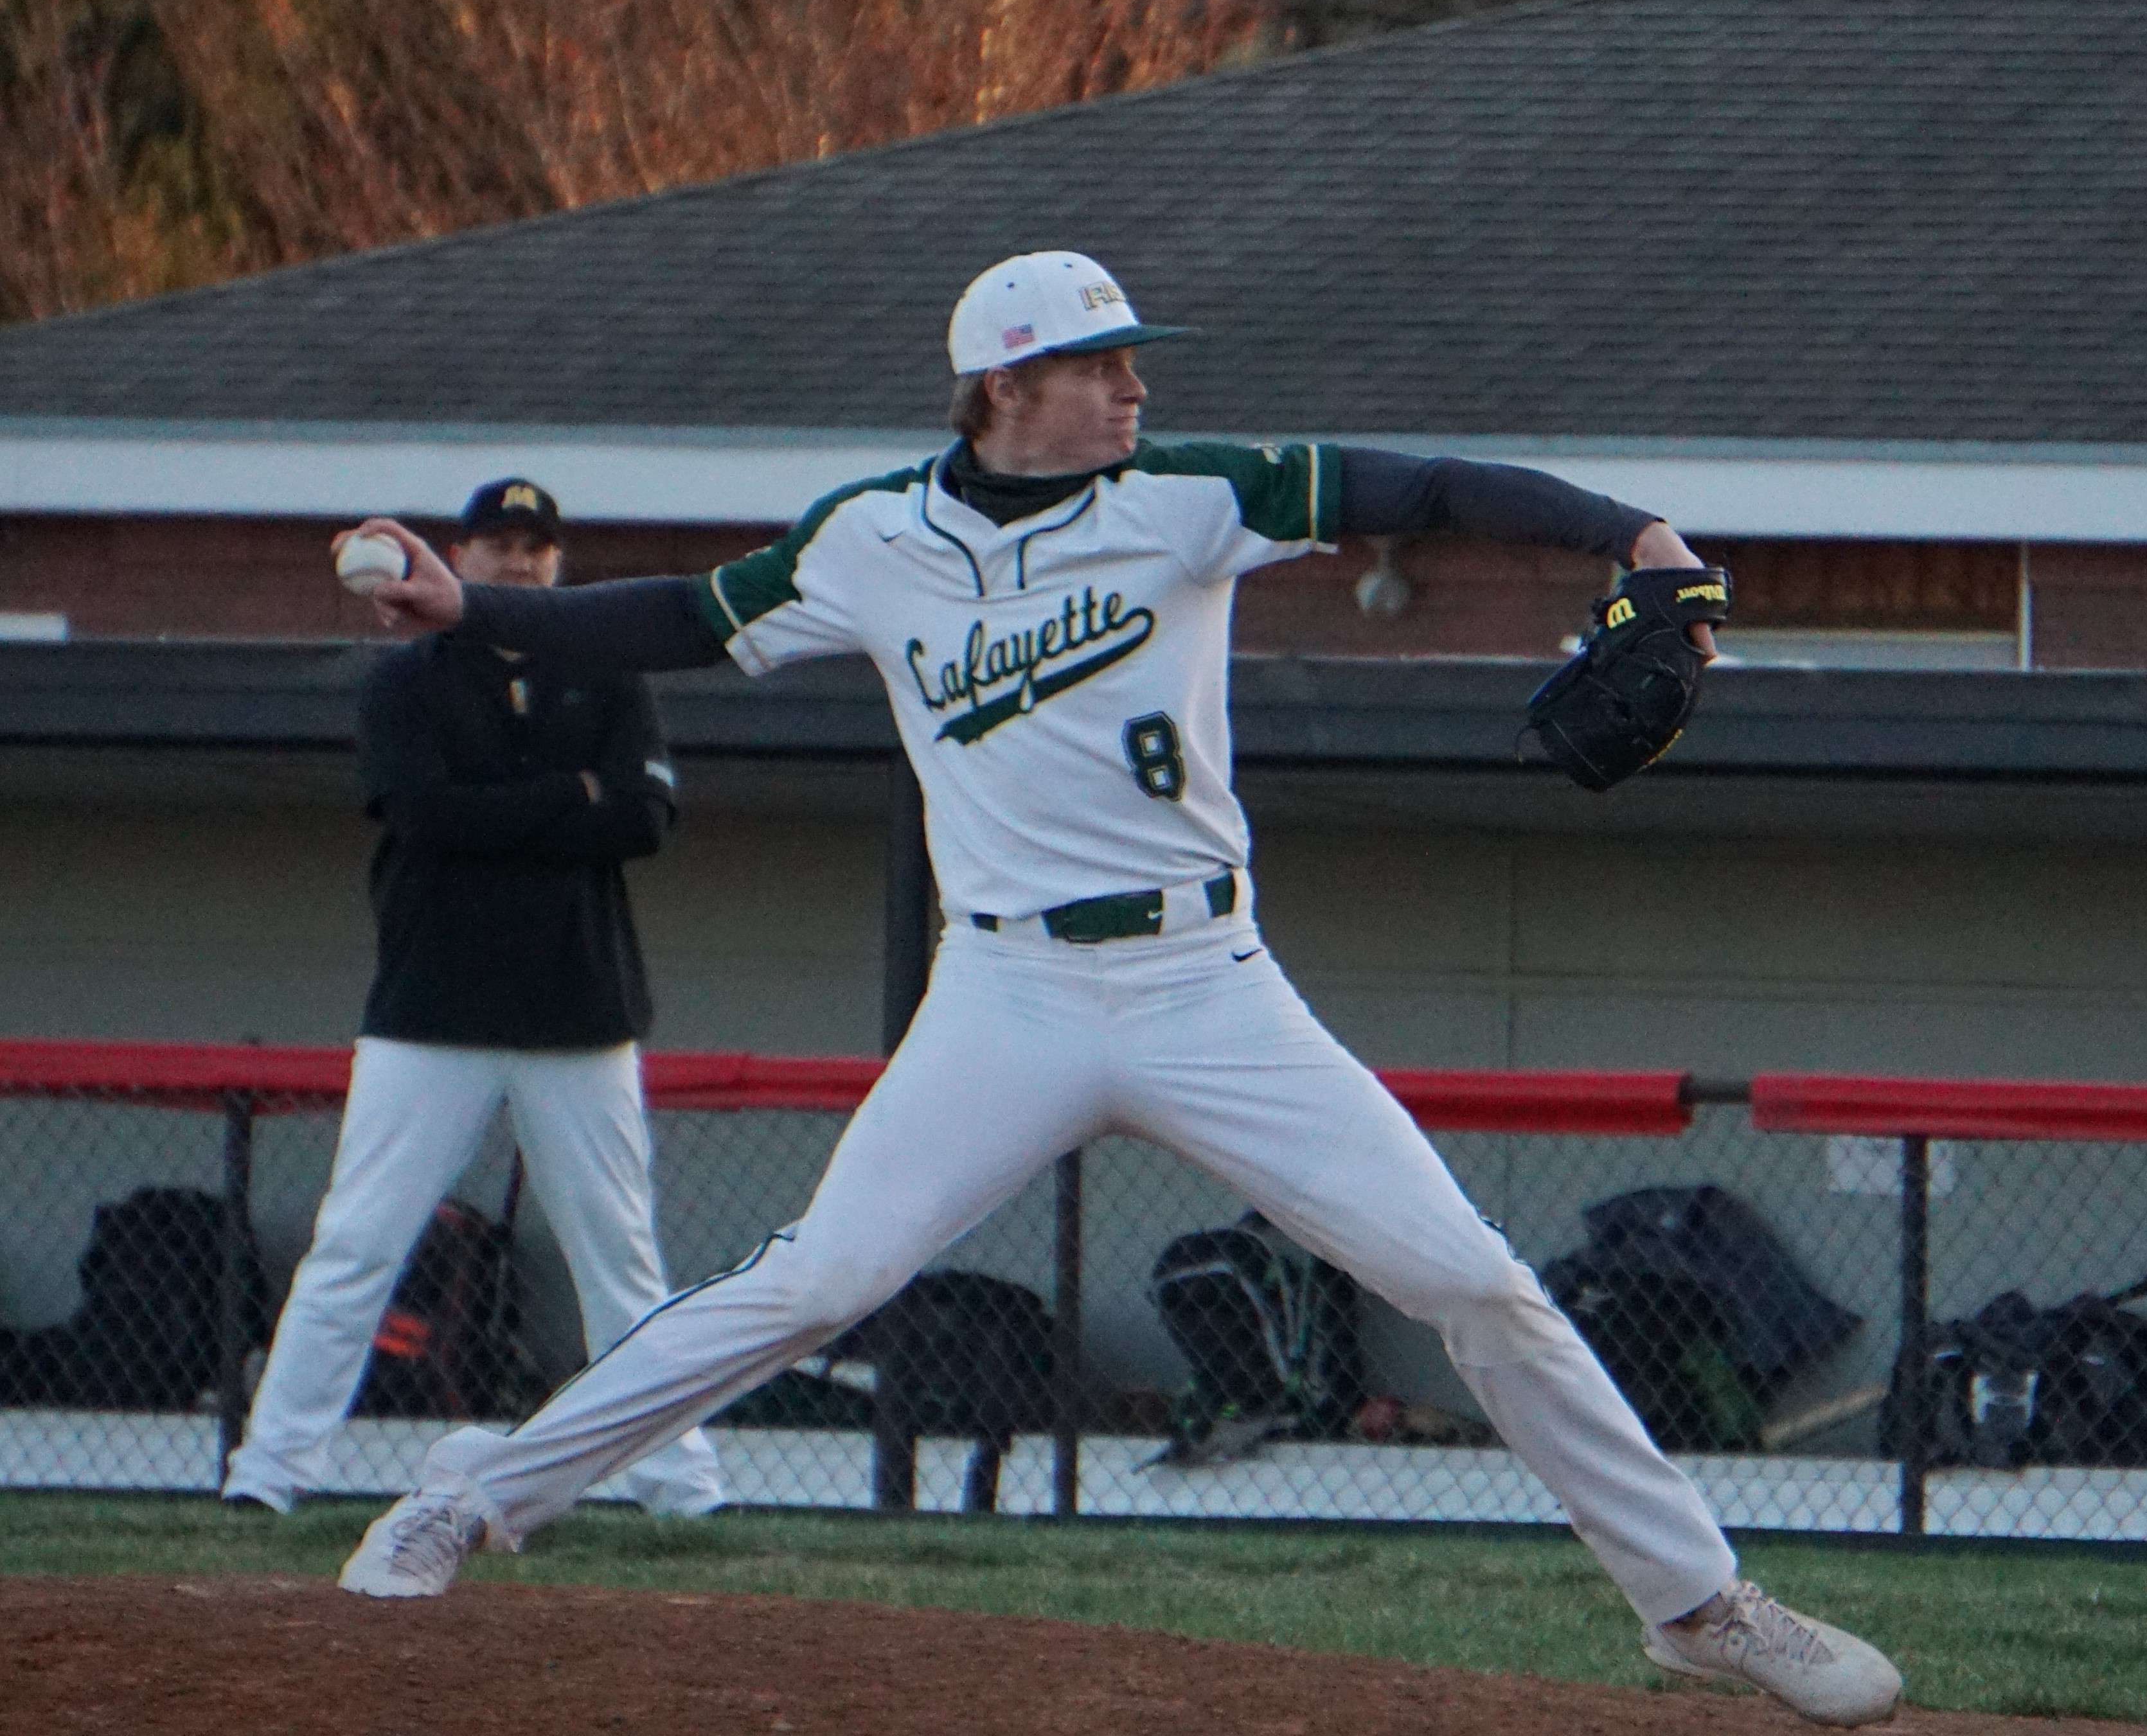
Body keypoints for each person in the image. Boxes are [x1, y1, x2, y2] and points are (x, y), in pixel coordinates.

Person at [329, 254, 1899, 1726]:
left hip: (1207, 979)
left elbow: (1417, 487)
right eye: (1098, 365)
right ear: (1003, 387)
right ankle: (469, 1499)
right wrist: (474, 608)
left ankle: (1696, 1603)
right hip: (1004, 990)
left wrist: (1636, 534)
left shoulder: (1188, 497)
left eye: (1133, 362)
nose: (1132, 389)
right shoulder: (873, 538)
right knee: (817, 1281)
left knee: (1472, 1279)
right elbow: (678, 614)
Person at [221, 479, 724, 1520]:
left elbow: (643, 821)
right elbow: (423, 814)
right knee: (358, 1244)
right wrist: (568, 797)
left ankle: (682, 1487)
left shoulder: (606, 673)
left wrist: (522, 808)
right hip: (431, 1009)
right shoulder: (407, 680)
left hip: (580, 1011)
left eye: (537, 548)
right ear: (458, 557)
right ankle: (267, 1477)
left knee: (621, 1261)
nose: (519, 563)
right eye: (498, 545)